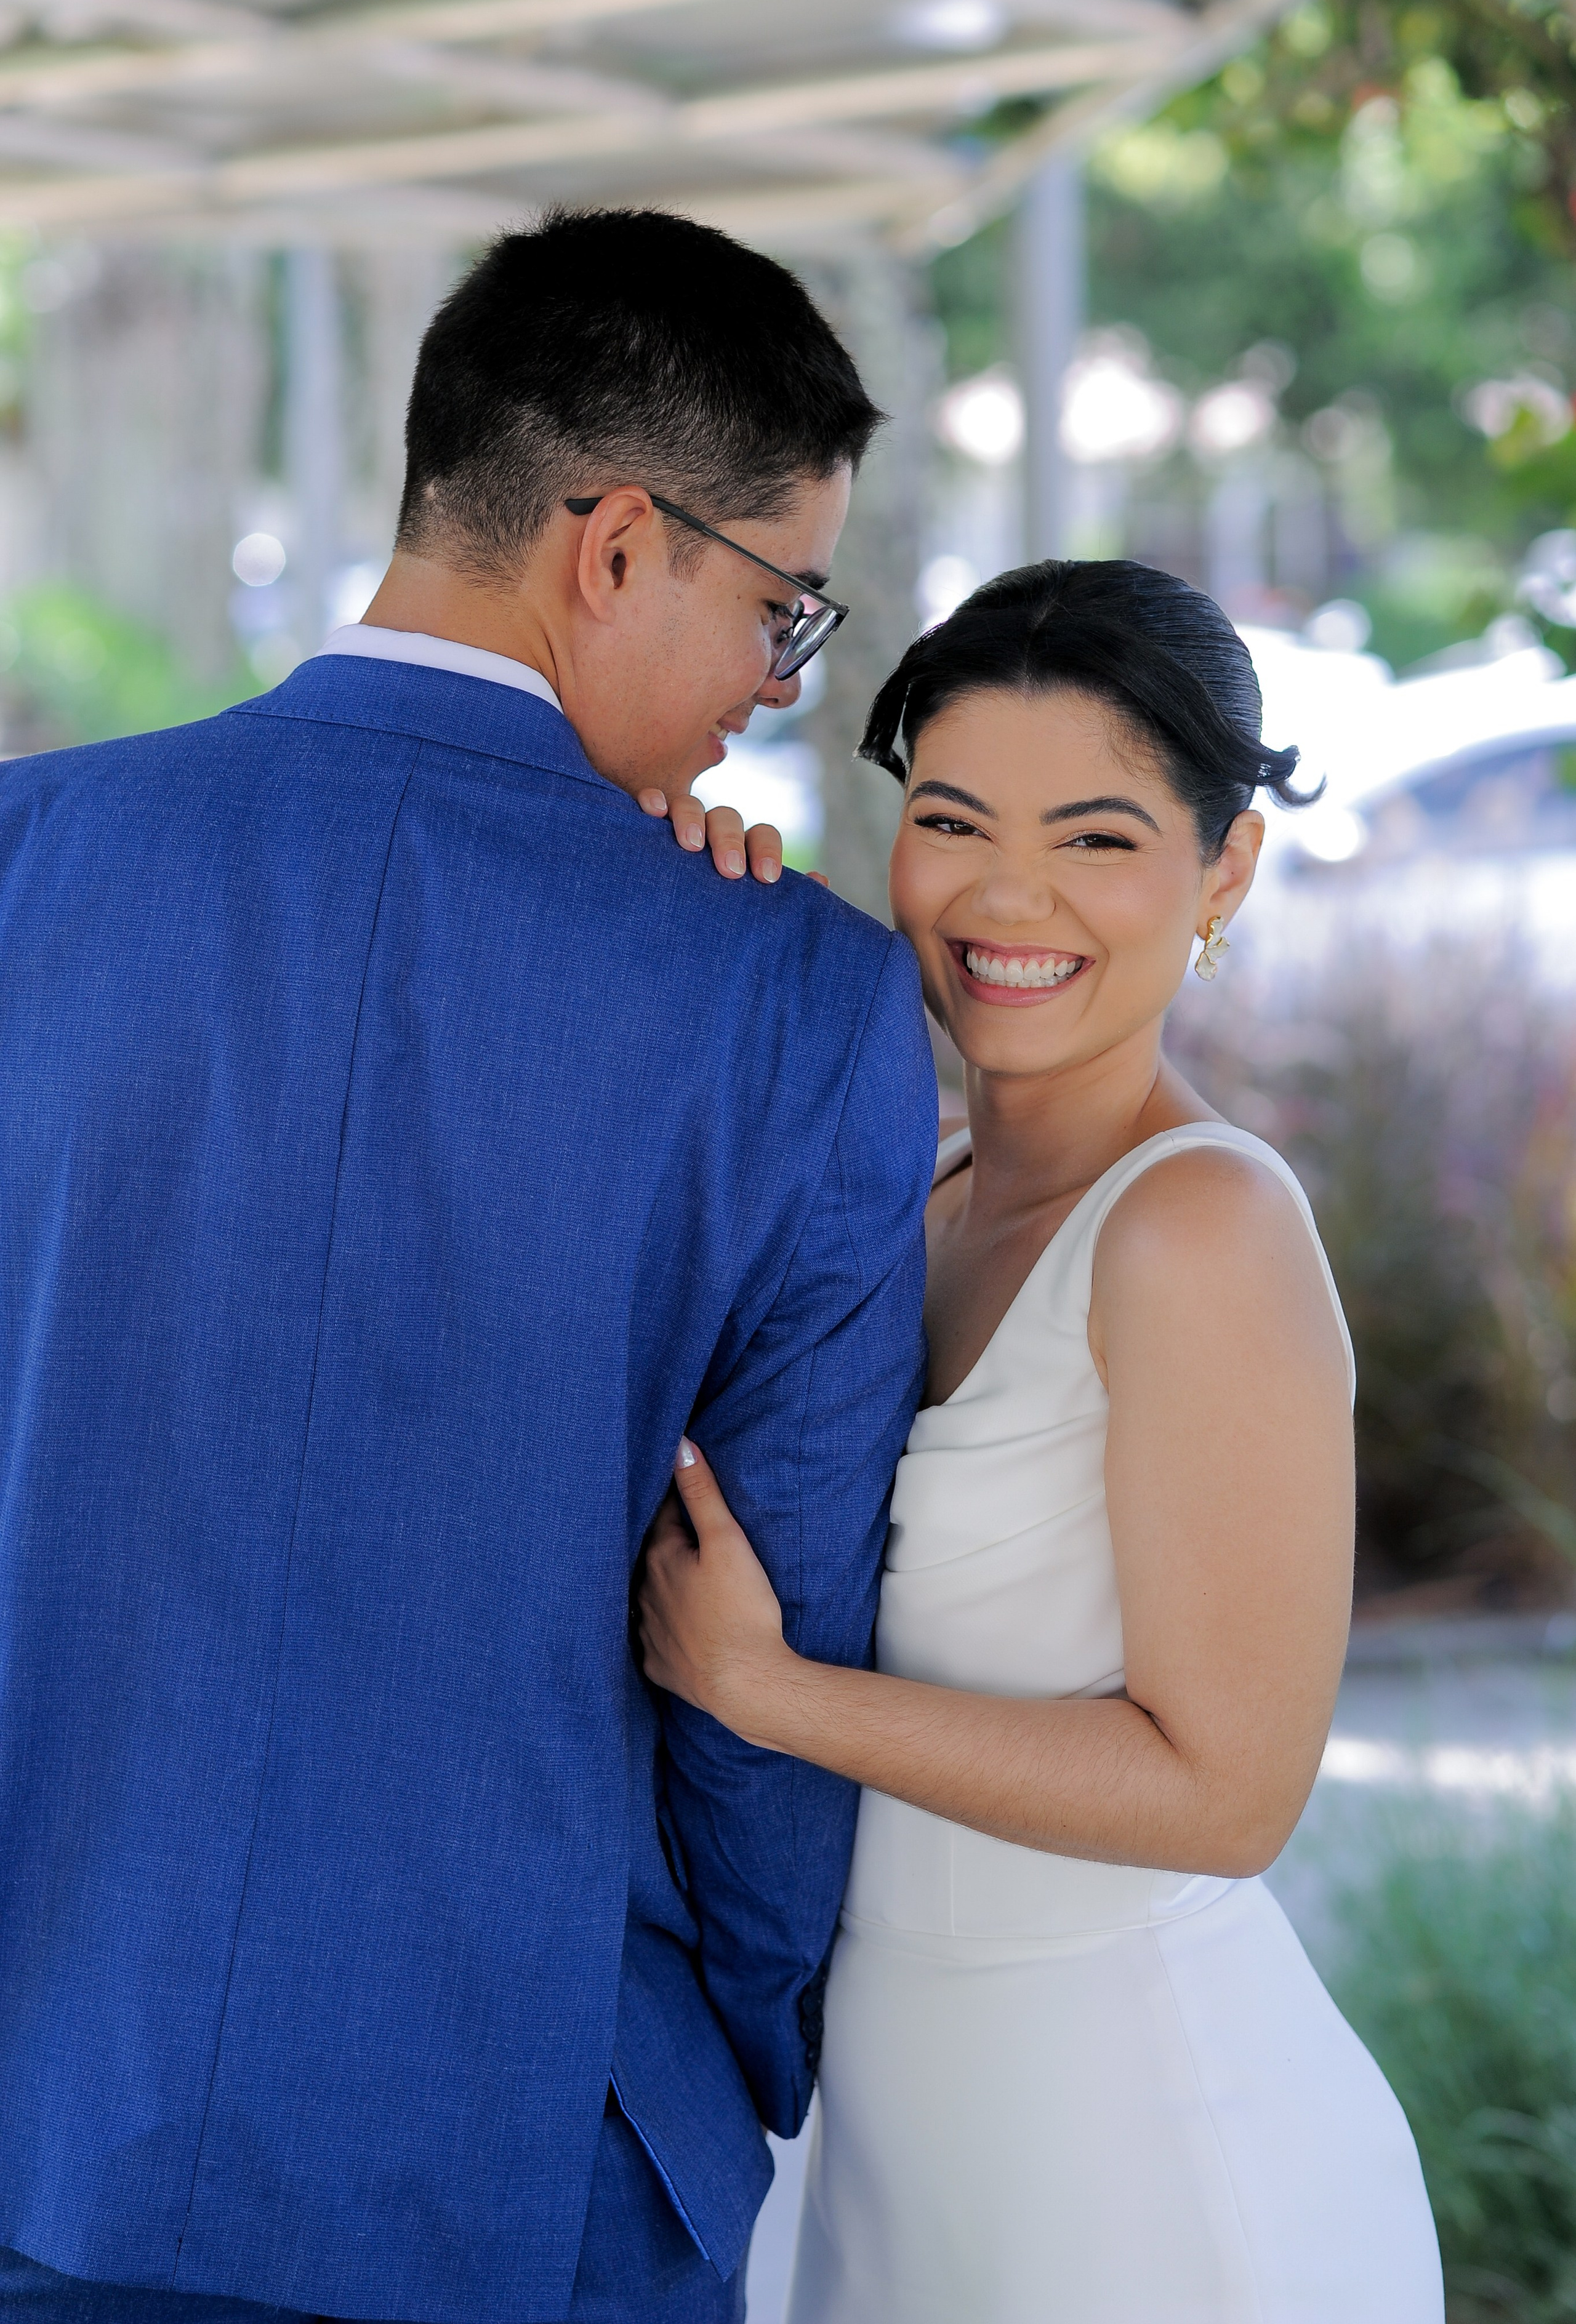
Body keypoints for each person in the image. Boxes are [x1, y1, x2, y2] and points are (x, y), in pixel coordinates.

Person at [0, 210, 937, 2324]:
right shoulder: (794, 1006)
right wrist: (746, 2055)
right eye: (781, 612)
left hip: (51, 2113)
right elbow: (768, 1636)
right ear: (615, 547)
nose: (768, 694)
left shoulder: (25, 866)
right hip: (542, 2150)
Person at [640, 559, 1446, 2323]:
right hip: (896, 2156)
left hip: (1146, 2169)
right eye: (950, 820)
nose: (1008, 896)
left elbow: (1228, 1795)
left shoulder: (1197, 1229)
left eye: (1096, 838)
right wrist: (689, 932)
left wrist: (770, 1695)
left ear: (1223, 870)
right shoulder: (906, 1188)